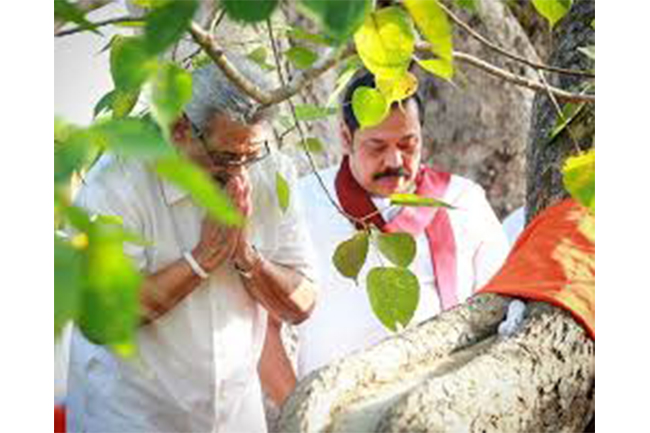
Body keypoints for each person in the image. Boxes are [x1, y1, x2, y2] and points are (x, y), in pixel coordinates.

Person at [66, 59, 317, 433]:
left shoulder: (271, 171)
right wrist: (201, 261)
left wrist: (248, 259)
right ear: (180, 128)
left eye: (251, 155)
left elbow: (303, 303)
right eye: (226, 158)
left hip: (235, 414)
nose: (240, 172)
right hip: (131, 416)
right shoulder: (116, 182)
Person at [291, 70, 510, 378]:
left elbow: (503, 303)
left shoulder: (463, 200)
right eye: (377, 146)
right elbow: (264, 322)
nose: (395, 161)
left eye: (408, 145)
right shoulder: (304, 202)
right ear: (345, 137)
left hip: (442, 391)